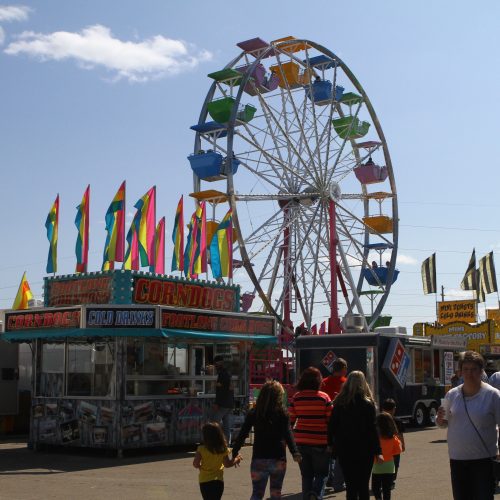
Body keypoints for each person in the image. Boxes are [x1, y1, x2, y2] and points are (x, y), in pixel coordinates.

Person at [437, 350, 500, 500]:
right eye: (465, 369)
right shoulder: (451, 394)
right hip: (457, 459)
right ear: (460, 372)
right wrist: (440, 420)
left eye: (473, 369)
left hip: (483, 460)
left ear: (481, 371)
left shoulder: (493, 395)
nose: (469, 373)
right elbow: (443, 424)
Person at [231, 381, 301, 499]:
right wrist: (295, 452)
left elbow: (243, 433)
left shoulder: (254, 412)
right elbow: (288, 433)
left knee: (257, 493)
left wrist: (235, 451)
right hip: (278, 458)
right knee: (275, 493)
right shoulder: (282, 413)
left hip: (259, 458)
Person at [328, 371, 382, 500]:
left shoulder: (339, 403)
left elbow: (332, 427)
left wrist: (330, 444)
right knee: (363, 485)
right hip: (365, 450)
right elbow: (372, 430)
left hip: (345, 449)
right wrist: (378, 451)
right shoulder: (368, 404)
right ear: (363, 383)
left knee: (351, 486)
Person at [289, 367, 332, 500]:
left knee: (306, 475)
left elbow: (290, 419)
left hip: (301, 441)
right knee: (322, 473)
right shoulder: (324, 397)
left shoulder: (296, 398)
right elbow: (331, 420)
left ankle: (307, 497)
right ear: (318, 381)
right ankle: (316, 494)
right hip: (321, 441)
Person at [193, 422, 241, 500]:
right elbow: (227, 464)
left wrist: (200, 467)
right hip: (218, 481)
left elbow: (195, 464)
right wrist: (236, 459)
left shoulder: (201, 449)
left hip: (204, 481)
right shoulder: (222, 449)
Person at [321, 358, 347, 492]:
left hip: (325, 423)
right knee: (338, 454)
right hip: (340, 423)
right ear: (342, 368)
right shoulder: (345, 383)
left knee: (328, 452)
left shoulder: (324, 382)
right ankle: (337, 480)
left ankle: (328, 478)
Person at [371, 412, 402, 500]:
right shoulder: (393, 437)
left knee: (375, 488)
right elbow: (398, 450)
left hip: (378, 465)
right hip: (390, 465)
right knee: (387, 489)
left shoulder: (376, 438)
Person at [380, 399, 405, 488]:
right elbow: (400, 434)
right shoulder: (398, 421)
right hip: (395, 448)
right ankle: (391, 481)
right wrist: (403, 445)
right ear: (394, 409)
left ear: (383, 408)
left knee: (382, 463)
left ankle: (382, 481)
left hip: (382, 447)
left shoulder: (379, 419)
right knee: (395, 464)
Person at [209, 355, 234, 443]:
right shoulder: (228, 373)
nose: (215, 365)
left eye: (216, 363)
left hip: (223, 404)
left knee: (214, 422)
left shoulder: (222, 374)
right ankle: (226, 443)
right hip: (229, 403)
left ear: (220, 363)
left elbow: (221, 391)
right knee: (226, 425)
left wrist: (217, 403)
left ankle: (215, 443)